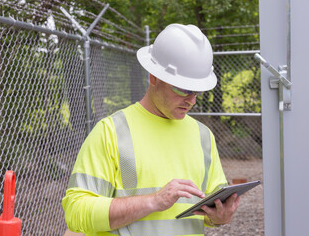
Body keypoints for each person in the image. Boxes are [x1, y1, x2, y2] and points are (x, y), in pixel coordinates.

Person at [62, 23, 240, 236]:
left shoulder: (203, 136)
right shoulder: (111, 132)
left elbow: (214, 205)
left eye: (197, 91)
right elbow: (76, 211)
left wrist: (220, 216)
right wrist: (154, 201)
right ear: (154, 77)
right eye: (183, 88)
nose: (191, 100)